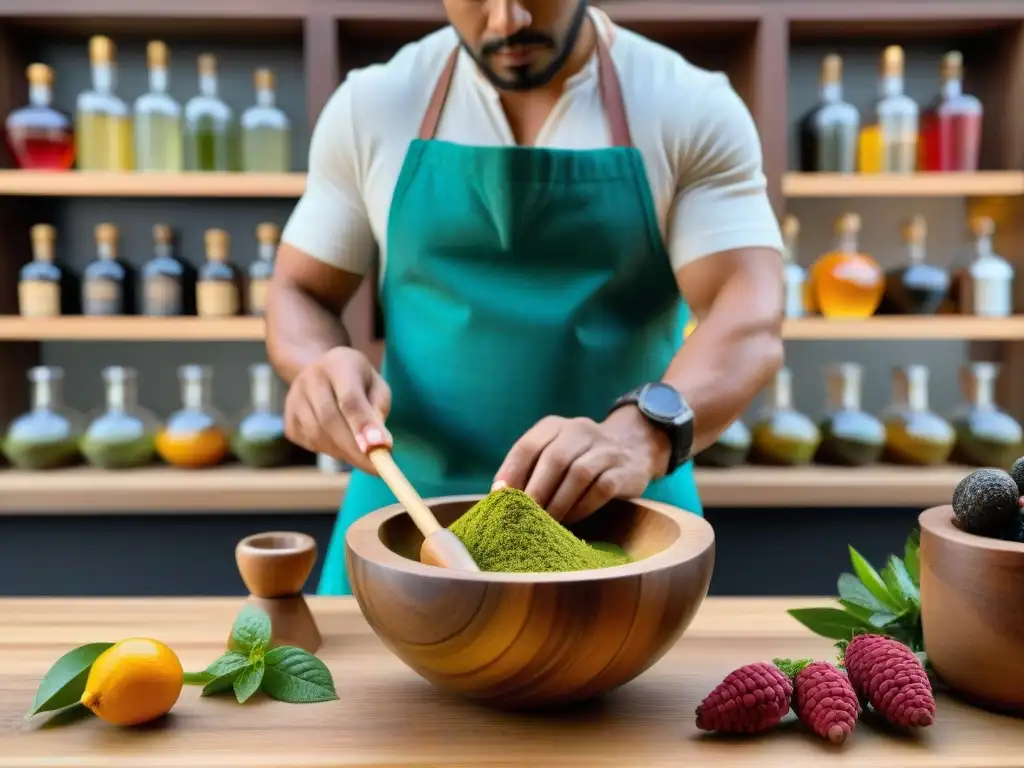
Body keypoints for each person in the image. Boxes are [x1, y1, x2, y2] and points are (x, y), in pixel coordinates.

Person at [266, 0, 785, 596]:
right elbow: (299, 290)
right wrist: (317, 366)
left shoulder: (689, 106)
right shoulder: (372, 106)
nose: (505, 20)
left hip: (626, 525)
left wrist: (640, 435)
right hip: (407, 524)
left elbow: (746, 313)